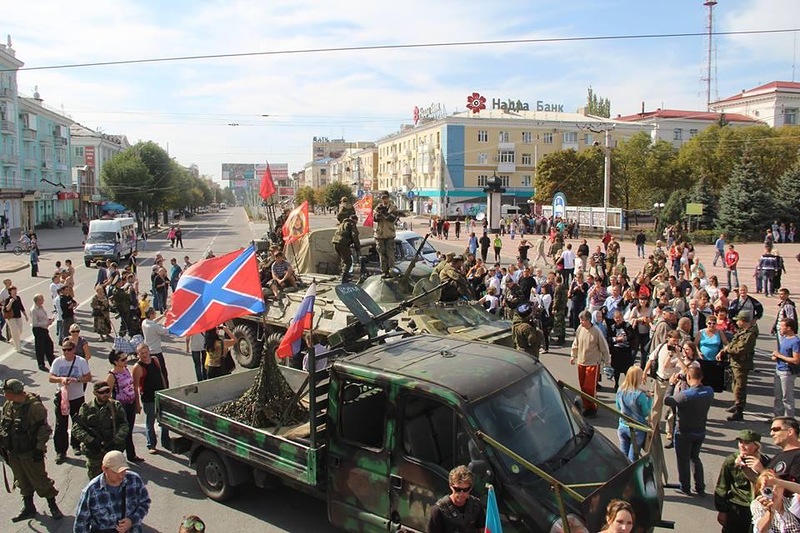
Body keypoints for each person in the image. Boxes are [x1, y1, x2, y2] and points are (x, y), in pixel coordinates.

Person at [0, 378, 64, 522]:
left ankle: (53, 507)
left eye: (6, 392)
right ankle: (29, 508)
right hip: (14, 452)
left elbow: (44, 429)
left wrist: (39, 449)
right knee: (22, 481)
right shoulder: (8, 406)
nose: (4, 394)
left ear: (12, 392)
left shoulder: (34, 407)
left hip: (30, 452)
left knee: (40, 480)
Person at [74, 450, 151, 533]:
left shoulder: (134, 480)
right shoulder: (92, 491)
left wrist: (132, 521)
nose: (121, 476)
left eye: (123, 471)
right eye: (116, 472)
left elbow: (145, 503)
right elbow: (81, 524)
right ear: (104, 469)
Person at [665, 365, 714, 496]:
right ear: (702, 377)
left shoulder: (686, 395)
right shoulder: (709, 391)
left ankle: (685, 486)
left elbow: (667, 400)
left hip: (684, 432)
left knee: (683, 460)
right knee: (695, 458)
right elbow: (699, 387)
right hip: (700, 431)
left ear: (688, 377)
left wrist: (671, 384)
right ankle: (700, 487)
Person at [715, 429, 770, 533]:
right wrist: (722, 510)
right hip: (737, 508)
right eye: (740, 442)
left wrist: (761, 470)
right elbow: (722, 486)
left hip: (758, 508)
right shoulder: (731, 461)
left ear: (756, 446)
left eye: (747, 443)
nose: (742, 446)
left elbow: (771, 485)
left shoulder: (765, 461)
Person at [73, 381, 129, 478]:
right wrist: (90, 440)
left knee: (116, 479)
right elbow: (76, 428)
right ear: (95, 393)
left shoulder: (115, 406)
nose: (105, 394)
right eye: (101, 392)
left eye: (107, 391)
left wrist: (115, 440)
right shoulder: (87, 407)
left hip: (112, 450)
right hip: (94, 452)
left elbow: (124, 425)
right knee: (95, 480)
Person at [49, 338, 92, 464]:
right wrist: (61, 379)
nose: (66, 352)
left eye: (69, 349)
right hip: (62, 396)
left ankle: (76, 445)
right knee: (60, 424)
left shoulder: (81, 361)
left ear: (74, 350)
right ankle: (60, 451)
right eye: (64, 350)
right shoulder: (57, 362)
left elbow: (88, 377)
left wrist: (77, 380)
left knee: (77, 422)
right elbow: (51, 378)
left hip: (77, 396)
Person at [718, 311, 759, 422]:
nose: (737, 322)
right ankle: (737, 404)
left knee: (740, 386)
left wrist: (728, 350)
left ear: (744, 321)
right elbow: (733, 342)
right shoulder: (743, 331)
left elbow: (741, 349)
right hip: (736, 362)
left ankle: (739, 410)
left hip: (742, 363)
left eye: (739, 320)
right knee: (735, 385)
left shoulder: (750, 334)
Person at [570, 310, 611, 417]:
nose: (581, 322)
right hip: (581, 362)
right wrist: (573, 356)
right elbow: (576, 342)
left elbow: (604, 348)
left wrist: (607, 362)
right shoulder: (580, 329)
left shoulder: (596, 331)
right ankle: (586, 406)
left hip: (592, 363)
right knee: (583, 387)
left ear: (588, 320)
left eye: (582, 320)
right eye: (580, 320)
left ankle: (592, 408)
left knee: (589, 388)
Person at [106, 350, 143, 462]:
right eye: (122, 359)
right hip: (121, 407)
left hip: (130, 404)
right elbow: (107, 394)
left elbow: (132, 387)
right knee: (123, 432)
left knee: (129, 430)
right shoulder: (112, 375)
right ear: (115, 362)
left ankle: (131, 455)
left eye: (126, 358)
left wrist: (137, 404)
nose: (125, 361)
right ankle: (119, 457)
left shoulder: (126, 370)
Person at [132, 343, 169, 454]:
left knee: (164, 420)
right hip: (148, 398)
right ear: (138, 354)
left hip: (160, 395)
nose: (144, 355)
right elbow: (135, 387)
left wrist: (165, 390)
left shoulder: (155, 360)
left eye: (145, 352)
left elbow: (161, 375)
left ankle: (166, 441)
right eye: (141, 353)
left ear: (149, 351)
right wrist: (137, 404)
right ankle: (151, 444)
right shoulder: (137, 367)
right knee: (150, 421)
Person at [426, 465, 484, 533]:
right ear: (451, 486)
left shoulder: (476, 506)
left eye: (465, 489)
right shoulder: (439, 511)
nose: (461, 494)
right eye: (458, 489)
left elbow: (483, 529)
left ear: (470, 488)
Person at [615, 366, 652, 462]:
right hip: (637, 428)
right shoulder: (640, 395)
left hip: (623, 425)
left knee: (623, 455)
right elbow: (645, 413)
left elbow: (618, 407)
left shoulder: (620, 390)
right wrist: (650, 399)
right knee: (633, 458)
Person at [772, 318, 800, 418]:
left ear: (789, 328)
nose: (780, 328)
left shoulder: (795, 341)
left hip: (787, 372)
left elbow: (796, 360)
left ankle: (789, 419)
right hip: (778, 369)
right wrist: (776, 357)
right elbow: (782, 353)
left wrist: (779, 356)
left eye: (782, 326)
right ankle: (777, 418)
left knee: (787, 398)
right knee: (777, 397)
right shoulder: (784, 338)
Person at [142, 307, 173, 385]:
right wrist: (167, 319)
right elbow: (165, 331)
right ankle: (165, 386)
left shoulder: (144, 322)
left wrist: (163, 316)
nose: (155, 314)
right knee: (162, 371)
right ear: (150, 314)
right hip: (156, 351)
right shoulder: (154, 327)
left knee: (152, 372)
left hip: (149, 351)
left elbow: (154, 322)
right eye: (154, 313)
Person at [607, 309, 635, 390]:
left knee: (627, 369)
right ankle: (616, 384)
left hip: (626, 350)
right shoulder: (612, 327)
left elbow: (631, 336)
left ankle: (628, 384)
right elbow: (608, 338)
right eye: (616, 318)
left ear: (622, 317)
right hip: (616, 350)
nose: (618, 319)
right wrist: (616, 339)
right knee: (616, 369)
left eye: (619, 317)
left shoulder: (627, 326)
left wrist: (624, 338)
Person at [373, 192, 398, 277]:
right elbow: (375, 218)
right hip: (380, 234)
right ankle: (384, 271)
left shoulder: (393, 207)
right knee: (382, 254)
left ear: (388, 198)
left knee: (390, 254)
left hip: (389, 234)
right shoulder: (378, 207)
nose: (384, 200)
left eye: (386, 198)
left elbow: (392, 219)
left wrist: (385, 213)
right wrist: (379, 213)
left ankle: (391, 271)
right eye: (383, 198)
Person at [331, 214, 360, 282]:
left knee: (343, 259)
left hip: (335, 242)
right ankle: (344, 276)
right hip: (343, 244)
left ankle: (343, 274)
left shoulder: (342, 223)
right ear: (355, 220)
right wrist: (357, 246)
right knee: (348, 261)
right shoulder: (352, 224)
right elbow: (354, 235)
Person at [31, 293, 55, 371]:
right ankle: (41, 364)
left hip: (44, 329)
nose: (43, 300)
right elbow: (35, 323)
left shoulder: (41, 308)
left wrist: (48, 320)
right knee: (40, 347)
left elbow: (42, 318)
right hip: (38, 330)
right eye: (42, 299)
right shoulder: (34, 310)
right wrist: (46, 323)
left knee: (49, 345)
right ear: (38, 301)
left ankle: (52, 362)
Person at [4, 285, 28, 351]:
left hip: (18, 316)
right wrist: (11, 302)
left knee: (19, 331)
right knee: (15, 332)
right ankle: (18, 347)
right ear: (10, 292)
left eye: (15, 290)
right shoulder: (8, 299)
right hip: (11, 318)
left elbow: (21, 306)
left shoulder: (18, 298)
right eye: (13, 290)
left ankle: (12, 340)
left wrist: (25, 315)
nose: (15, 291)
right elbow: (6, 309)